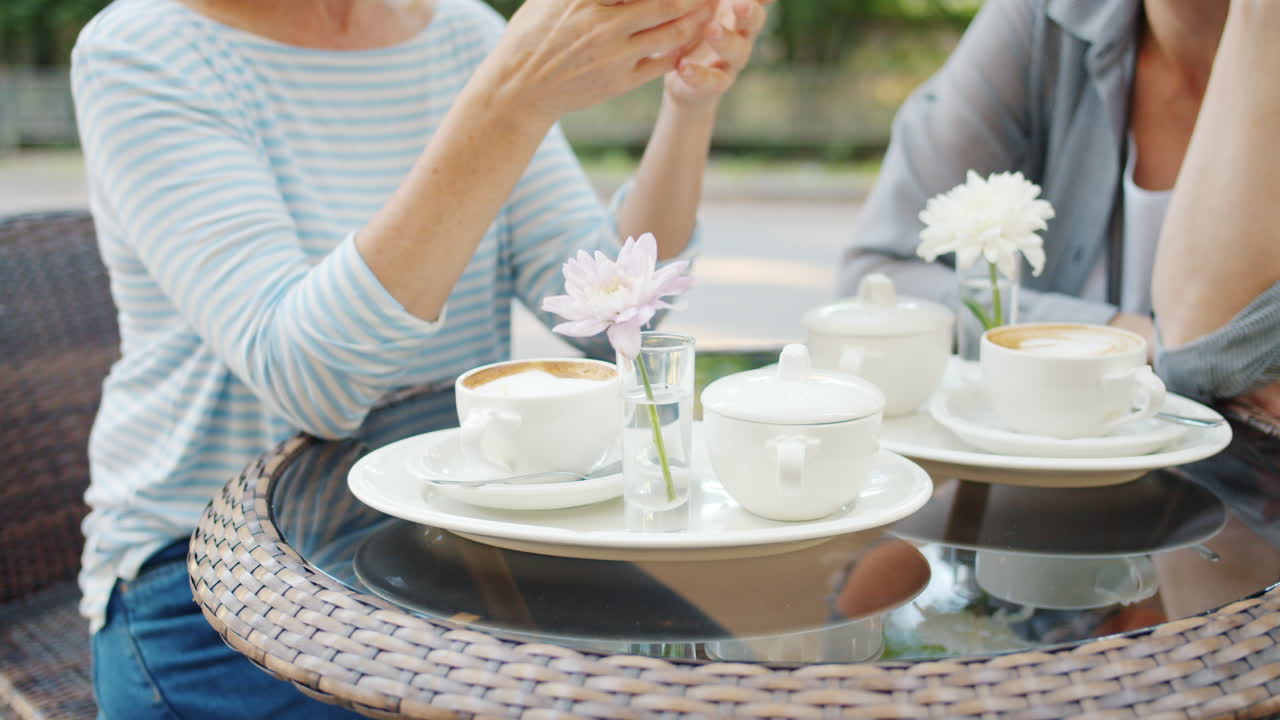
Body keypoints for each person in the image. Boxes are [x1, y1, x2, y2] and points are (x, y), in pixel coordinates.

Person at [70, 0, 769, 716]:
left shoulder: (461, 32)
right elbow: (313, 384)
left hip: (453, 546)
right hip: (221, 575)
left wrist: (689, 105)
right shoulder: (143, 52)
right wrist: (507, 102)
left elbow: (605, 324)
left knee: (721, 668)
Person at [838, 0, 1280, 411]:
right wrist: (1122, 337)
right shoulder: (1045, 18)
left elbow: (1202, 360)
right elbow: (876, 280)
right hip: (1051, 482)